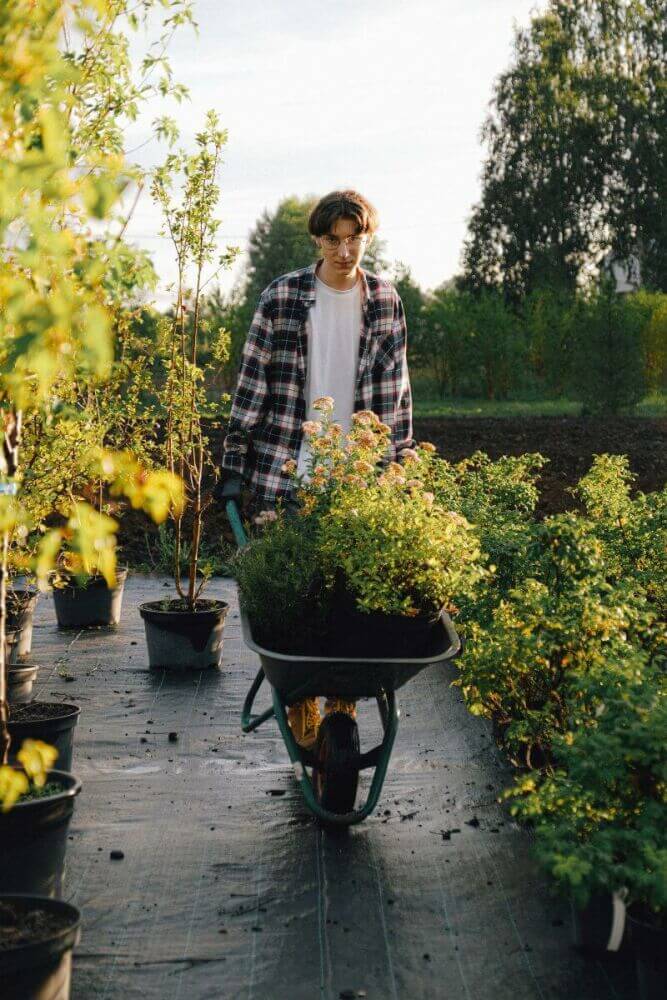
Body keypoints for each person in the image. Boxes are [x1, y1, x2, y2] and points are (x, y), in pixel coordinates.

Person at [216, 190, 415, 749]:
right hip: (287, 469)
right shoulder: (283, 297)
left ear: (366, 238)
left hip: (357, 474)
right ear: (317, 240)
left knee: (350, 594)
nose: (345, 248)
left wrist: (400, 459)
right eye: (334, 238)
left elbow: (396, 391)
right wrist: (235, 462)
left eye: (356, 237)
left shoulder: (384, 301)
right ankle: (301, 694)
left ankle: (342, 700)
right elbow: (252, 383)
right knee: (298, 595)